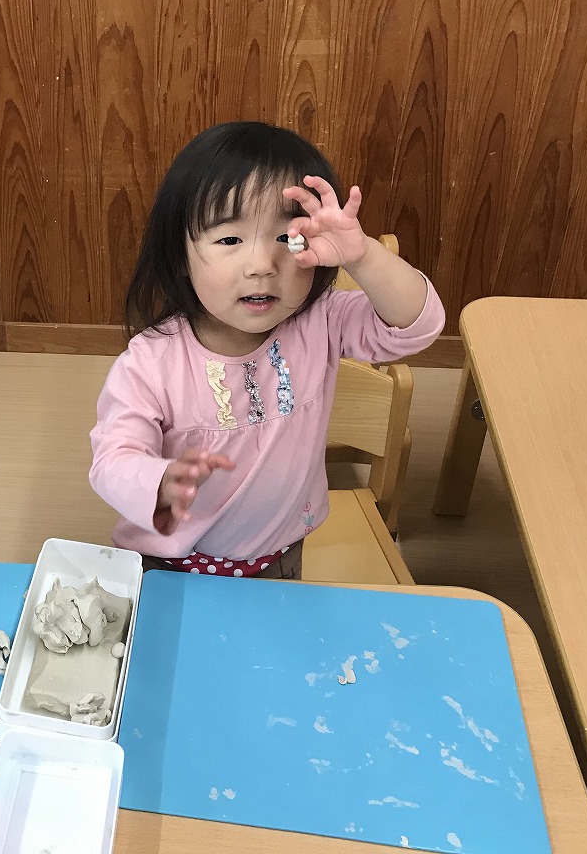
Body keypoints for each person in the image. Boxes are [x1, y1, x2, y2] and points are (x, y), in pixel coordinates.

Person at [89, 122, 444, 579]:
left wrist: (363, 256)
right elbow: (112, 461)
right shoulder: (150, 362)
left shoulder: (322, 321)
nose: (262, 265)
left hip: (277, 557)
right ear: (180, 257)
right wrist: (158, 481)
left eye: (287, 238)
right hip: (168, 563)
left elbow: (417, 327)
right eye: (229, 240)